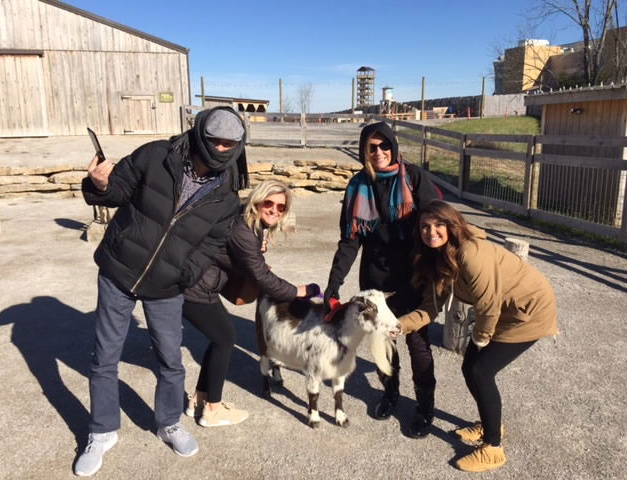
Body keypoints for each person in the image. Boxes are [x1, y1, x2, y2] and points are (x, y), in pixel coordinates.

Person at [75, 106, 248, 477]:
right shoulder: (157, 155)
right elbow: (116, 190)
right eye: (215, 140)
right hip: (118, 271)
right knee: (105, 356)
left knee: (171, 359)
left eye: (229, 143)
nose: (220, 148)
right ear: (200, 133)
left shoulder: (227, 198)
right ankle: (102, 431)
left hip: (167, 287)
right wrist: (100, 185)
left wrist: (181, 276)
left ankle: (169, 422)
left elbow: (211, 246)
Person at [399, 200, 558, 472]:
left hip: (528, 311)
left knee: (480, 371)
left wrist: (481, 339)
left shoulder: (471, 253)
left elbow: (488, 305)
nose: (431, 231)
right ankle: (489, 424)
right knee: (470, 368)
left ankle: (493, 448)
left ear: (452, 225)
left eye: (438, 225)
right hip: (503, 310)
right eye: (425, 226)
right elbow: (429, 308)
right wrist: (397, 326)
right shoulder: (436, 257)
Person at [324, 121, 441, 437]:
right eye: (371, 147)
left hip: (413, 276)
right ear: (364, 150)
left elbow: (439, 222)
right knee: (381, 342)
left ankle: (424, 408)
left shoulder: (413, 178)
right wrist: (334, 283)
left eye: (384, 145)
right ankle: (390, 393)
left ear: (394, 146)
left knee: (418, 344)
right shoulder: (357, 185)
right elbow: (350, 240)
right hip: (376, 281)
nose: (378, 152)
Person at [183, 179, 319, 427]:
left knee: (219, 338)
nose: (274, 210)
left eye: (281, 208)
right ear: (257, 201)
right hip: (194, 286)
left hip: (200, 284)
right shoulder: (243, 230)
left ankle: (199, 400)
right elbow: (262, 278)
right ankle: (212, 410)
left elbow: (245, 259)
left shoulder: (248, 225)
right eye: (269, 203)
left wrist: (258, 249)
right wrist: (298, 291)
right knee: (225, 338)